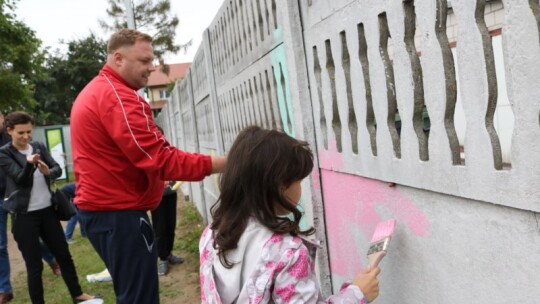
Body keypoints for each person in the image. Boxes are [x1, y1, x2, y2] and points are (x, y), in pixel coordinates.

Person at [70, 28, 227, 304]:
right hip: (119, 216)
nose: (151, 68)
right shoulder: (118, 98)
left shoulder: (99, 92)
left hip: (106, 214)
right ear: (118, 59)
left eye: (152, 60)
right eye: (144, 61)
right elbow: (163, 159)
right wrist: (226, 162)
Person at [200, 126, 381, 303]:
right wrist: (357, 294)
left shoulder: (211, 235)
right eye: (299, 181)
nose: (300, 188)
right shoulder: (287, 254)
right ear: (279, 185)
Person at [0, 111, 98, 304]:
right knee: (34, 265)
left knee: (64, 255)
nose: (26, 137)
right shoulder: (4, 153)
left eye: (29, 131)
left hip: (47, 212)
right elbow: (20, 180)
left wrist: (48, 171)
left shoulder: (38, 146)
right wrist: (30, 164)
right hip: (24, 217)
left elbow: (57, 169)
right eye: (21, 133)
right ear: (9, 131)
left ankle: (77, 294)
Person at [151, 127, 183, 276]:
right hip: (156, 196)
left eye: (160, 135)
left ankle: (169, 253)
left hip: (170, 192)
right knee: (160, 227)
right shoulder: (149, 154)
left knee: (171, 224)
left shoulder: (168, 150)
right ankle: (162, 258)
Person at [0, 112, 13, 303]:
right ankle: (5, 288)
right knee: (0, 244)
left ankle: (51, 259)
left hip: (14, 195)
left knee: (28, 236)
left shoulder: (12, 136)